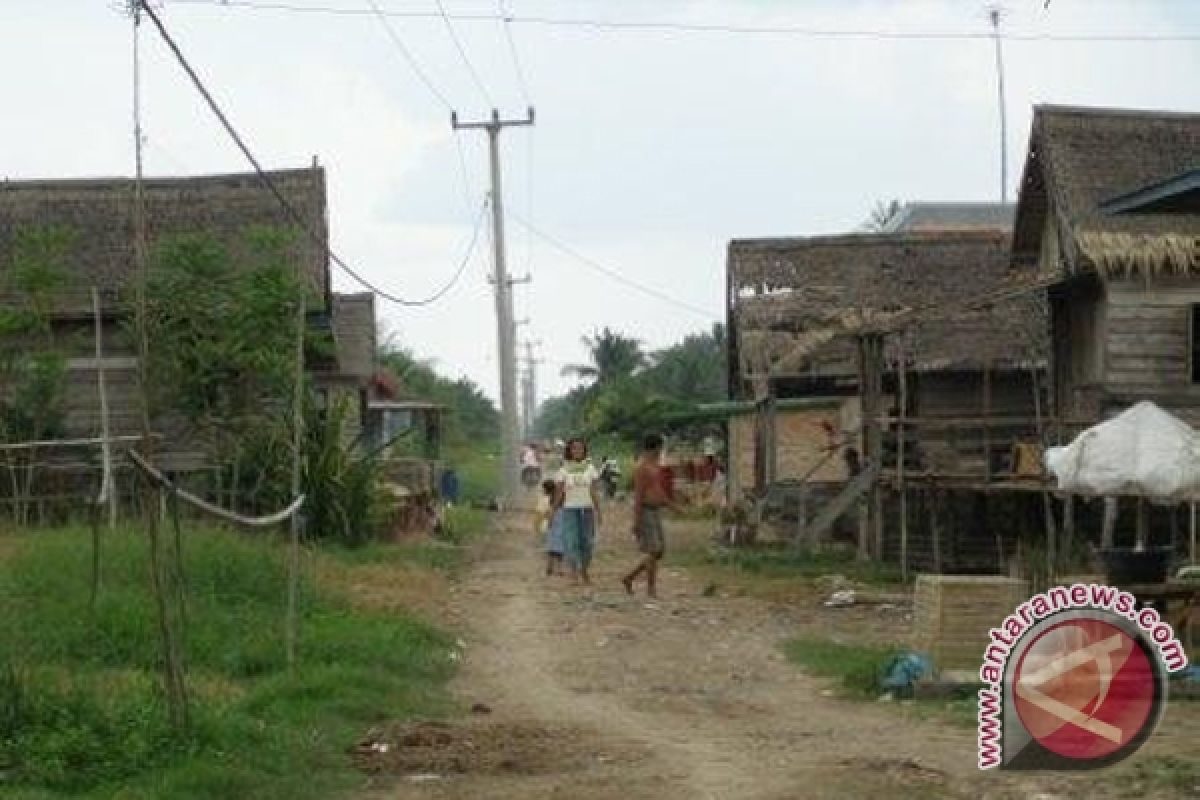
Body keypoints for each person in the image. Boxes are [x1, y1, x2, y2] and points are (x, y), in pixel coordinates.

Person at [623, 433, 681, 598]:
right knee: (654, 551)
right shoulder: (642, 468)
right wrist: (637, 521)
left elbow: (658, 491)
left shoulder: (653, 466)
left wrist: (672, 506)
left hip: (655, 511)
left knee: (658, 551)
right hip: (646, 511)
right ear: (655, 448)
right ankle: (650, 588)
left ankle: (630, 578)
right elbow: (639, 496)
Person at [554, 436, 601, 586]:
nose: (577, 451)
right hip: (570, 510)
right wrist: (553, 510)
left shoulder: (591, 468)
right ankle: (574, 573)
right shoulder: (563, 470)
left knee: (587, 542)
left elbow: (593, 491)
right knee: (571, 541)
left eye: (580, 448)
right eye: (574, 448)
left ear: (584, 450)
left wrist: (599, 510)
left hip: (587, 509)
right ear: (569, 450)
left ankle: (584, 571)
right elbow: (560, 492)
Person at [534, 479, 564, 575]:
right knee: (560, 547)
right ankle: (559, 569)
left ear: (545, 489)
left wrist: (537, 526)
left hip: (551, 526)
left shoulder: (546, 500)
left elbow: (542, 514)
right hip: (561, 526)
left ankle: (549, 567)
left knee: (551, 547)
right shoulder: (561, 499)